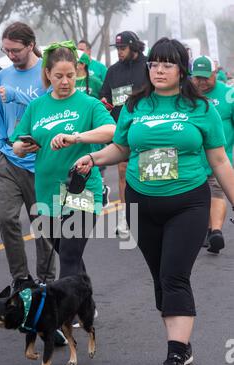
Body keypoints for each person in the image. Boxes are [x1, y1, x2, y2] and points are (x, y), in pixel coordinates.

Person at [75, 37, 234, 365]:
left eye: (167, 64)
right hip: (141, 202)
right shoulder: (135, 105)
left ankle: (174, 356)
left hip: (188, 203)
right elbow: (120, 147)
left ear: (182, 69)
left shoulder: (202, 109)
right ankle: (184, 344)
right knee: (162, 279)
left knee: (175, 275)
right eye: (154, 64)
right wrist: (92, 158)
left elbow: (220, 160)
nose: (159, 70)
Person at [11, 41, 115, 288]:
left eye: (71, 75)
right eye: (59, 76)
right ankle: (85, 301)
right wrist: (22, 147)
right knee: (68, 252)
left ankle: (63, 316)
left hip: (81, 189)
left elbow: (111, 130)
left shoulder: (89, 104)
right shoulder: (37, 106)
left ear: (78, 72)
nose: (66, 81)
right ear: (48, 73)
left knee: (69, 253)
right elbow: (16, 142)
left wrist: (77, 137)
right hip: (46, 191)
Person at [0, 22, 56, 292]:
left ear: (30, 45)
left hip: (40, 160)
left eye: (15, 50)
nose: (11, 56)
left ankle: (46, 280)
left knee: (43, 226)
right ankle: (21, 278)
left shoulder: (47, 74)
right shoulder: (2, 77)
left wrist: (19, 97)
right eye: (6, 50)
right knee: (3, 216)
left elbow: (50, 113)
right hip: (8, 157)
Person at [101, 31, 148, 237]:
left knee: (146, 171)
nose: (119, 52)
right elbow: (105, 96)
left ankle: (150, 212)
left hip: (147, 129)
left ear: (134, 47)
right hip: (122, 128)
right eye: (117, 49)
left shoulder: (149, 67)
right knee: (123, 171)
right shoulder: (113, 71)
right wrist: (104, 103)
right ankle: (126, 215)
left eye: (123, 48)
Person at [192, 56, 234, 254]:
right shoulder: (187, 95)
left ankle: (215, 231)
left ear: (215, 74)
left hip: (219, 157)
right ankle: (205, 229)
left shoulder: (228, 95)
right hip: (192, 159)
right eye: (197, 77)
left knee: (216, 191)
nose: (200, 82)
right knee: (199, 196)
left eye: (205, 77)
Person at [76, 52, 110, 208]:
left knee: (94, 159)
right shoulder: (68, 82)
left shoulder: (95, 82)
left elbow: (104, 98)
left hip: (93, 130)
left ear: (82, 64)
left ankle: (100, 188)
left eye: (75, 63)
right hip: (76, 130)